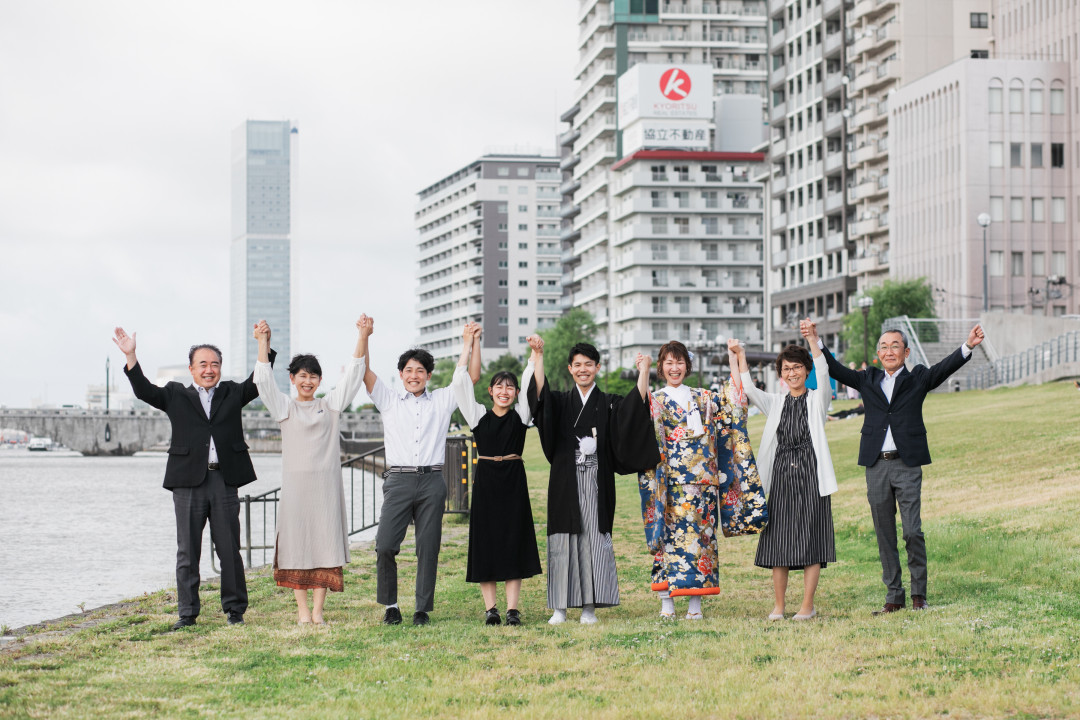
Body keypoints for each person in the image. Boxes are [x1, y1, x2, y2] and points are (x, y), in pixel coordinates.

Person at [805, 319, 985, 614]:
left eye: (895, 346)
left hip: (907, 463)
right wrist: (816, 340)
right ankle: (894, 596)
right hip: (876, 465)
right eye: (884, 347)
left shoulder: (918, 378)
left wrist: (967, 346)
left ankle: (919, 594)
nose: (890, 351)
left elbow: (944, 369)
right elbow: (835, 369)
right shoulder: (868, 379)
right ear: (878, 353)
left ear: (906, 351)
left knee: (912, 530)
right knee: (884, 531)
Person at [112, 326, 275, 630]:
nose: (209, 369)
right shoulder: (175, 394)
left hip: (224, 481)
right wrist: (131, 355)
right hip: (188, 483)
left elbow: (259, 381)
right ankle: (187, 613)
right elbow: (144, 390)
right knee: (188, 551)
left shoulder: (231, 392)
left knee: (229, 549)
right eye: (203, 364)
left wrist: (263, 343)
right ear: (191, 369)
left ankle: (235, 610)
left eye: (214, 364)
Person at [527, 339, 659, 625]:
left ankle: (589, 606)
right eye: (578, 365)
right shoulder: (561, 401)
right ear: (570, 369)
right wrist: (538, 356)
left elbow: (634, 410)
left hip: (598, 478)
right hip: (565, 478)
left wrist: (644, 370)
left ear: (597, 368)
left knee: (594, 540)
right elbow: (540, 397)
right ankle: (560, 607)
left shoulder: (609, 402)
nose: (583, 370)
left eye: (589, 364)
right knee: (563, 540)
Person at [637, 340, 766, 620]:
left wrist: (735, 359)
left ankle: (695, 605)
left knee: (701, 542)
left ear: (688, 365)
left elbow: (734, 408)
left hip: (702, 486)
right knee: (667, 541)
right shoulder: (655, 399)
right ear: (661, 367)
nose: (675, 368)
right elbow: (637, 422)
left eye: (680, 362)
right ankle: (666, 603)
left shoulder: (705, 397)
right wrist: (642, 373)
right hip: (668, 485)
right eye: (669, 363)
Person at [252, 317, 367, 625]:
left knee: (324, 545)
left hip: (326, 490)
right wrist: (263, 343)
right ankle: (302, 612)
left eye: (314, 376)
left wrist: (362, 335)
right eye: (303, 376)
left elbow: (354, 376)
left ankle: (318, 612)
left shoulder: (330, 406)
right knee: (297, 545)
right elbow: (263, 382)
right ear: (292, 378)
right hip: (296, 493)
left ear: (319, 380)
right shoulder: (285, 408)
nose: (308, 381)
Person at [364, 320, 478, 626]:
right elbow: (364, 373)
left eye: (420, 371)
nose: (414, 376)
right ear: (401, 375)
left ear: (428, 375)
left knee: (428, 547)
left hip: (431, 481)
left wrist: (469, 343)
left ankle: (422, 609)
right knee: (385, 545)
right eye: (408, 371)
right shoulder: (388, 400)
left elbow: (471, 378)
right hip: (399, 479)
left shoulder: (441, 400)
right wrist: (364, 336)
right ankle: (391, 605)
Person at [730, 336, 837, 621]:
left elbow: (825, 373)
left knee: (811, 540)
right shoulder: (775, 403)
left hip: (811, 476)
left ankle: (807, 606)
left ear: (806, 370)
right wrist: (741, 355)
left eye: (797, 367)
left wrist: (813, 341)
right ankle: (778, 606)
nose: (792, 373)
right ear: (781, 375)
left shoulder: (818, 399)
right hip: (780, 477)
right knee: (778, 539)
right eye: (786, 369)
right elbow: (749, 388)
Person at [451, 324, 543, 626]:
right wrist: (467, 345)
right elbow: (460, 383)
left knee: (513, 540)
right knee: (487, 541)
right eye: (499, 387)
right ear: (490, 391)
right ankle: (491, 609)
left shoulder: (522, 415)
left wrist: (533, 356)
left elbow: (531, 384)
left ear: (515, 393)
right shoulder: (478, 415)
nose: (505, 392)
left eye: (510, 387)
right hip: (488, 480)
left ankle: (513, 609)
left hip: (514, 480)